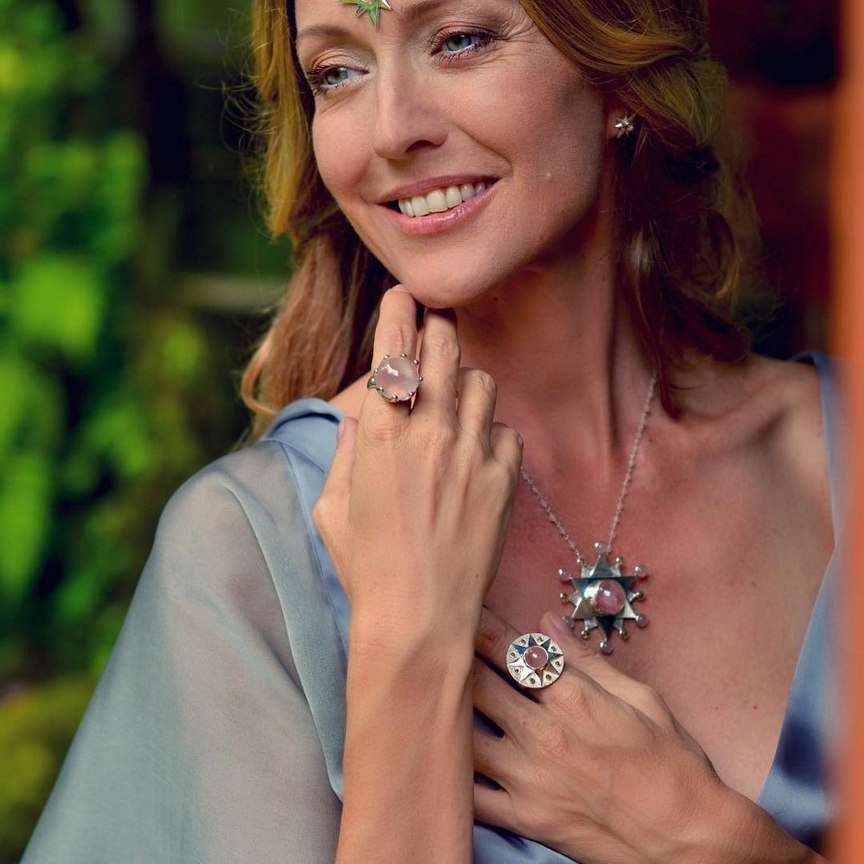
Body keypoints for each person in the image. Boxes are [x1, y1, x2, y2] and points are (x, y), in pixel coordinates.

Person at [21, 0, 842, 861]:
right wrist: (409, 652)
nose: (389, 132)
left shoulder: (836, 455)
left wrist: (716, 841)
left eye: (460, 41)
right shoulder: (252, 551)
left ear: (618, 70)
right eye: (337, 72)